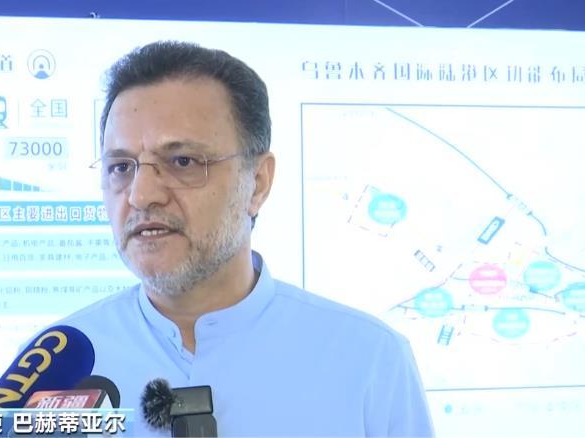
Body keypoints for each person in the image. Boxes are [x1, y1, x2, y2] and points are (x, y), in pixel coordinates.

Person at [55, 41, 435, 436]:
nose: (141, 194)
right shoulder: (53, 372)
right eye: (120, 167)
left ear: (258, 182)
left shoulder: (370, 360)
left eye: (183, 161)